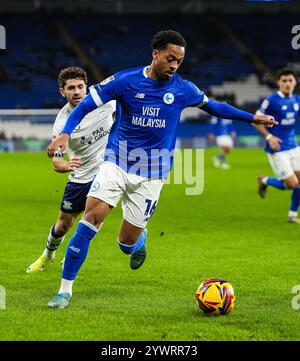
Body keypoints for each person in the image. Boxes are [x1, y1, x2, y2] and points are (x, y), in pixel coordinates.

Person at [46, 30, 276, 308]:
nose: (174, 66)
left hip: (152, 173)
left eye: (179, 61)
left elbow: (214, 106)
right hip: (116, 162)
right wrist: (65, 133)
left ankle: (138, 240)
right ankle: (64, 291)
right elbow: (85, 105)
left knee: (125, 243)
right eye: (170, 58)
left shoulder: (183, 89)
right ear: (155, 54)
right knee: (91, 220)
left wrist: (252, 118)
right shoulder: (125, 80)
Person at [26, 67, 115, 273]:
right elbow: (56, 163)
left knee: (94, 218)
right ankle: (47, 255)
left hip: (107, 172)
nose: (77, 91)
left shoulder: (106, 101)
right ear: (62, 91)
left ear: (87, 86)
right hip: (80, 178)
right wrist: (65, 165)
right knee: (62, 226)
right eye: (71, 88)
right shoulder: (61, 123)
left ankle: (74, 255)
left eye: (80, 87)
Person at [255, 68, 300, 224]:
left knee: (299, 182)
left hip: (293, 146)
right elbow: (255, 120)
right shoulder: (272, 100)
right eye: (284, 81)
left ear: (295, 82)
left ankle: (292, 215)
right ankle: (264, 180)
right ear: (278, 83)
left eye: (290, 80)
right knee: (291, 184)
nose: (287, 84)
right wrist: (269, 137)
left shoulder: (297, 100)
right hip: (277, 148)